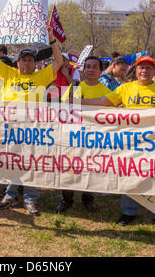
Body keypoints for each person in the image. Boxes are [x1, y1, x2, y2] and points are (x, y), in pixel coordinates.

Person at [81, 55, 155, 230]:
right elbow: (103, 102)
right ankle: (128, 212)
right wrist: (79, 102)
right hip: (130, 142)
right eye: (141, 68)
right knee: (129, 174)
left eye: (148, 68)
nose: (144, 71)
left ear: (154, 71)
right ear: (136, 70)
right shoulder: (125, 88)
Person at [0, 20, 64, 216]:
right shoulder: (9, 73)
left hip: (33, 128)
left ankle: (30, 199)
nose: (27, 63)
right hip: (9, 127)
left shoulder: (41, 76)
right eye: (24, 60)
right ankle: (10, 195)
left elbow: (59, 62)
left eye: (31, 60)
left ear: (35, 63)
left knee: (30, 163)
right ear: (17, 62)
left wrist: (52, 39)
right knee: (12, 161)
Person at [56, 56, 112, 213]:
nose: (91, 69)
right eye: (87, 67)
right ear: (83, 69)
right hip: (73, 135)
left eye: (95, 67)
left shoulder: (107, 92)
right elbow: (64, 107)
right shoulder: (75, 87)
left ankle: (88, 198)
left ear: (101, 71)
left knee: (90, 168)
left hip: (94, 137)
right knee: (69, 168)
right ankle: (66, 199)